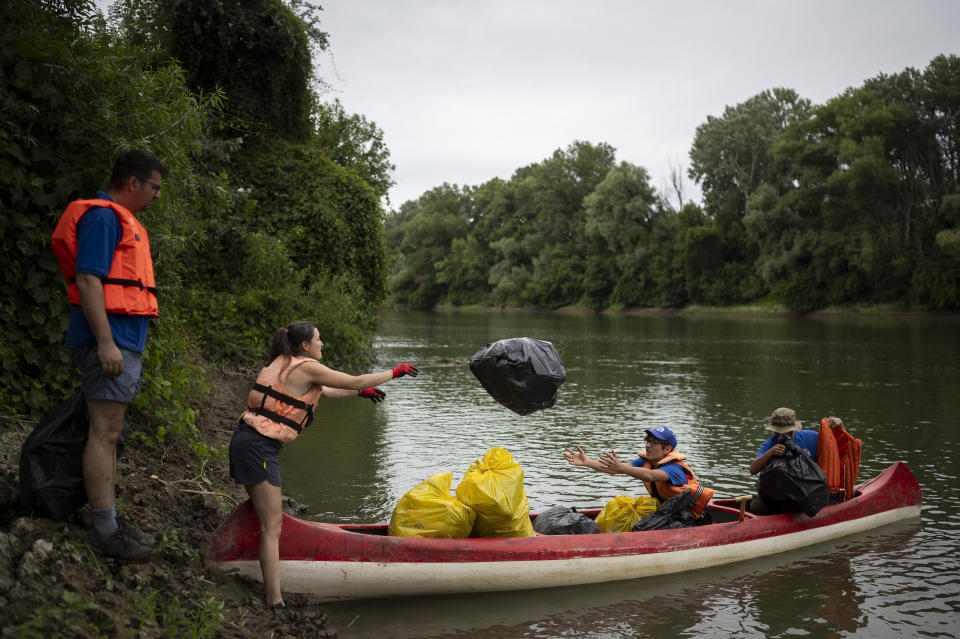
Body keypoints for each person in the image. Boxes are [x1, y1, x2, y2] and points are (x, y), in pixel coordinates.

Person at [229, 320, 419, 607]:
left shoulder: (284, 361)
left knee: (266, 517)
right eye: (319, 339)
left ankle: (247, 560)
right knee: (273, 525)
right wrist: (394, 372)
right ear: (305, 345)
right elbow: (353, 380)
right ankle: (275, 600)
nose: (322, 344)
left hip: (248, 440)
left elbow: (328, 391)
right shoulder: (306, 365)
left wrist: (359, 393)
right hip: (258, 447)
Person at [50, 149, 168, 563]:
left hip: (122, 339)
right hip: (109, 339)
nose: (156, 196)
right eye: (154, 187)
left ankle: (110, 522)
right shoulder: (103, 217)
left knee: (111, 431)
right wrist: (105, 342)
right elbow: (87, 278)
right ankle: (104, 531)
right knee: (105, 431)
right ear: (132, 183)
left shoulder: (121, 220)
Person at [563, 425, 715, 523]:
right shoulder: (646, 461)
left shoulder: (674, 469)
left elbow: (650, 476)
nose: (648, 445)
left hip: (690, 517)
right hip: (668, 511)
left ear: (667, 449)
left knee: (643, 527)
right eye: (647, 441)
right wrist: (587, 462)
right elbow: (614, 469)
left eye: (653, 442)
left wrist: (621, 467)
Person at [748, 407, 820, 515]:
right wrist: (771, 453)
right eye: (777, 433)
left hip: (806, 494)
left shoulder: (811, 437)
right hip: (779, 496)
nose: (781, 436)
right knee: (755, 506)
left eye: (785, 432)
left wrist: (838, 427)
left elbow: (834, 444)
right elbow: (753, 470)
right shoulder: (769, 445)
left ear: (793, 429)